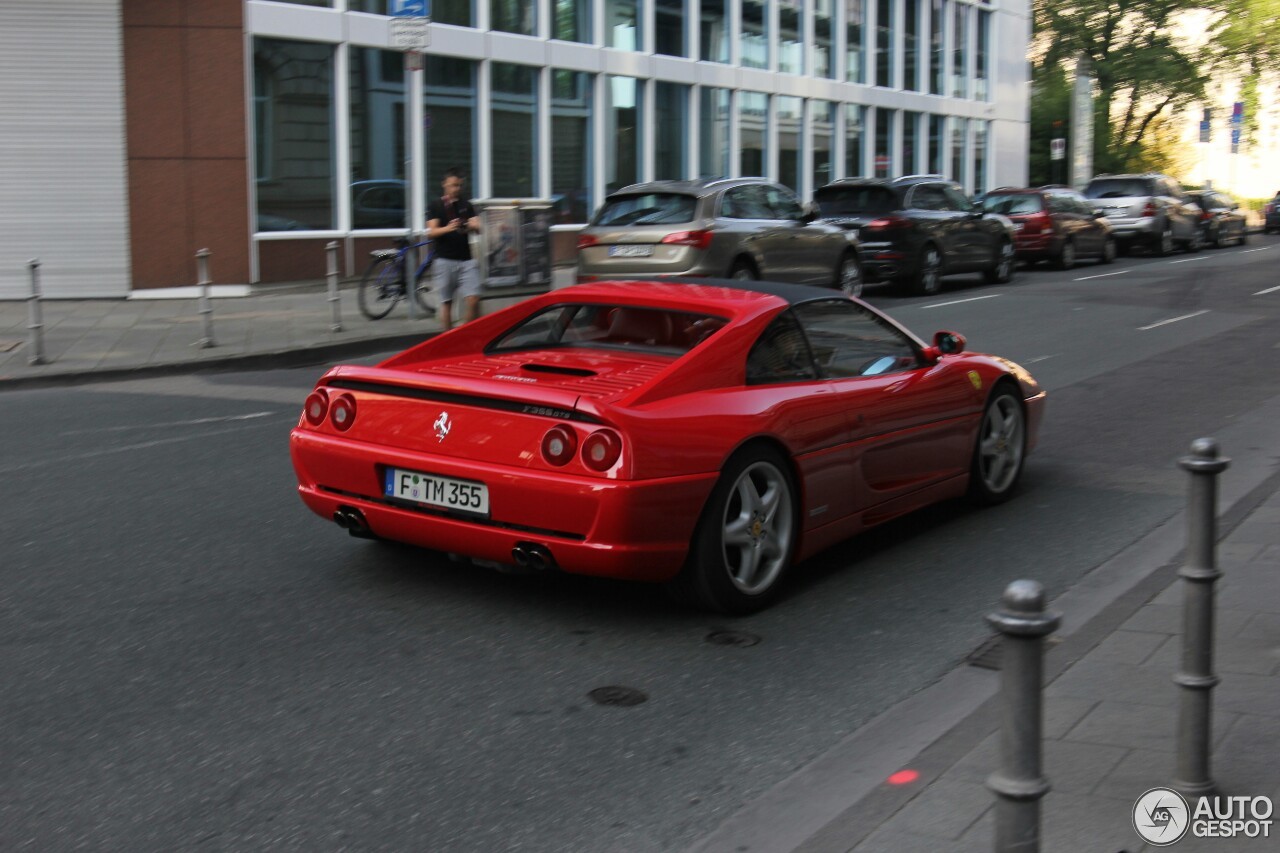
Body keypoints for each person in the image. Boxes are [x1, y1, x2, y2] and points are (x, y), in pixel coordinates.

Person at [426, 167, 482, 330]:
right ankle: (447, 339)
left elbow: (478, 227)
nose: (456, 189)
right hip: (445, 259)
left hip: (466, 259)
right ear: (444, 184)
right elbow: (432, 232)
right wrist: (448, 228)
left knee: (473, 299)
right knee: (447, 303)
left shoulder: (466, 205)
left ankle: (465, 334)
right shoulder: (436, 205)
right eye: (453, 185)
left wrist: (473, 225)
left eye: (459, 186)